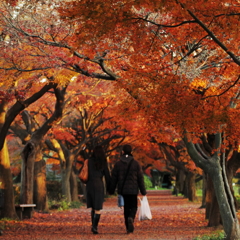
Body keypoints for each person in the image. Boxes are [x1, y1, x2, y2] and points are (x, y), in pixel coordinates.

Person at [109, 144, 147, 234]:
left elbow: (114, 178)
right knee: (133, 206)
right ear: (131, 152)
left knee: (126, 208)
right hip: (133, 190)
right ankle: (131, 217)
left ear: (122, 152)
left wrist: (111, 190)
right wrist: (143, 191)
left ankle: (127, 227)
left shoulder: (118, 164)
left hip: (123, 190)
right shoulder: (136, 163)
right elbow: (140, 178)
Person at [86, 145, 111, 234]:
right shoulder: (103, 162)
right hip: (98, 184)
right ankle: (95, 227)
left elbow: (84, 172)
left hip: (89, 184)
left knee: (93, 207)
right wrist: (110, 188)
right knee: (98, 208)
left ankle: (93, 225)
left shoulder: (88, 161)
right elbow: (107, 176)